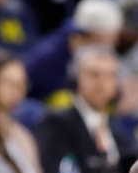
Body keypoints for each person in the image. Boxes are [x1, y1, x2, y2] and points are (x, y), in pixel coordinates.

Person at [35, 45, 138, 173]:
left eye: (110, 76)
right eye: (94, 75)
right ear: (76, 78)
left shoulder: (116, 128)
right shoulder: (56, 123)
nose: (102, 82)